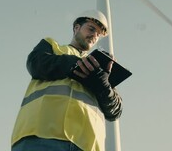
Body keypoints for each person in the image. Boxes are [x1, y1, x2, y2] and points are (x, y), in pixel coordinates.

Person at [11, 10, 123, 151]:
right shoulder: (52, 46)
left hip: (87, 145)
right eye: (91, 28)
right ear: (76, 28)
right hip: (41, 137)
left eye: (98, 34)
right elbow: (36, 64)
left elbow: (115, 111)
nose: (94, 35)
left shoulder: (101, 70)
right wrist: (77, 63)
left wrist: (103, 85)